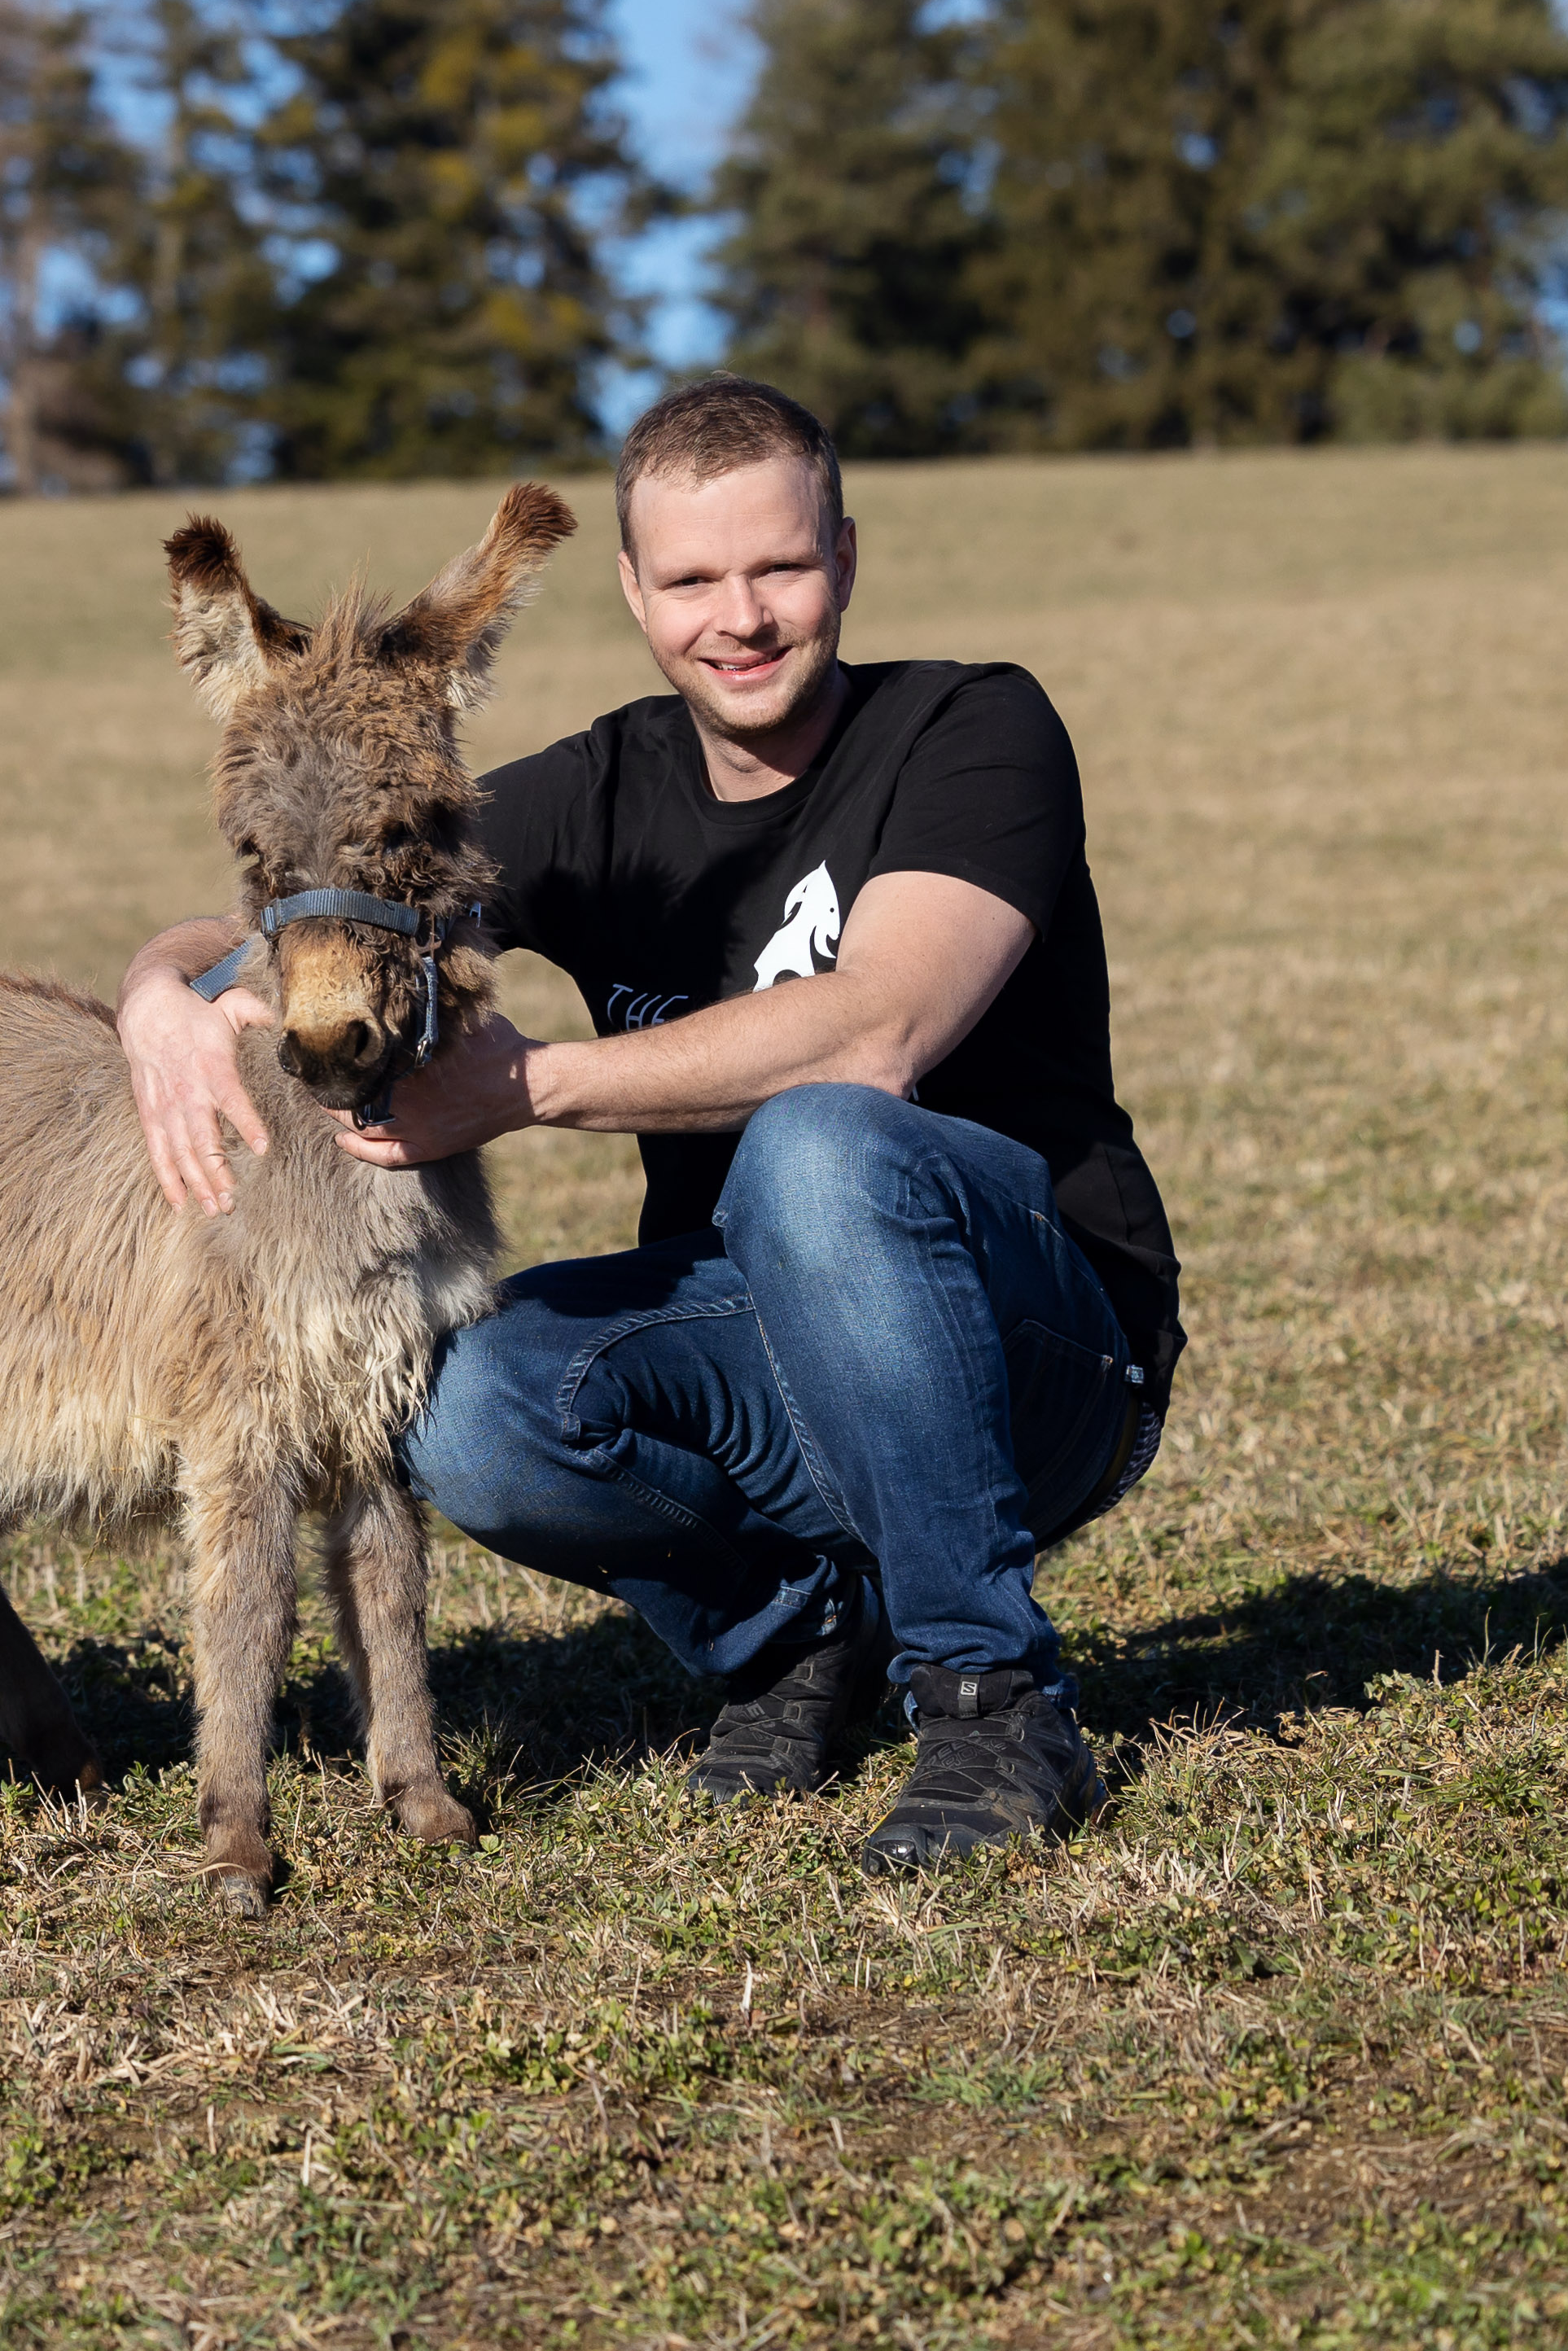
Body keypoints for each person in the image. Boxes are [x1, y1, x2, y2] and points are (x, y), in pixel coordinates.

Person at [116, 374, 1183, 1873]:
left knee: (818, 1141)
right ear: (632, 590)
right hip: (773, 1338)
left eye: (780, 567)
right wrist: (157, 993)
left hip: (1045, 1354)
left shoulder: (975, 729)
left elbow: (879, 1027)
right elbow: (345, 868)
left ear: (847, 560)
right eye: (692, 578)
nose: (738, 616)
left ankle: (994, 1700)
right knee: (470, 1401)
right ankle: (796, 1640)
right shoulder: (603, 785)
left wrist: (535, 1087)